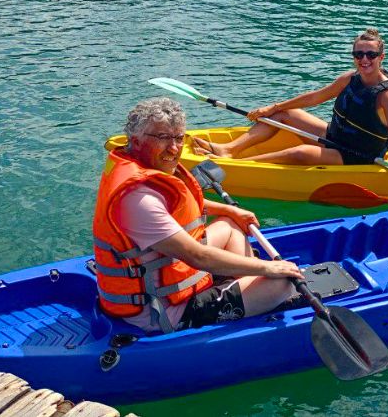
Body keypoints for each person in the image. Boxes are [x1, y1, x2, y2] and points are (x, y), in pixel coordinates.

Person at [92, 97, 301, 334]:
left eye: (179, 138)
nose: (174, 148)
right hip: (163, 311)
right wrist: (268, 268)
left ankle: (241, 289)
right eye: (162, 137)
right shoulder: (139, 200)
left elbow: (182, 205)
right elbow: (197, 256)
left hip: (169, 272)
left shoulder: (141, 169)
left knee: (230, 225)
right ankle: (247, 294)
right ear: (136, 140)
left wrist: (230, 210)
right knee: (282, 283)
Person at [191, 28, 388, 209]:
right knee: (283, 114)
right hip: (336, 136)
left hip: (357, 154)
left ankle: (238, 167)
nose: (364, 59)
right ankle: (229, 150)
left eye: (371, 54)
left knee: (299, 153)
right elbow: (315, 97)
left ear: (381, 57)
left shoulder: (387, 96)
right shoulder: (350, 78)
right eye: (358, 54)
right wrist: (272, 108)